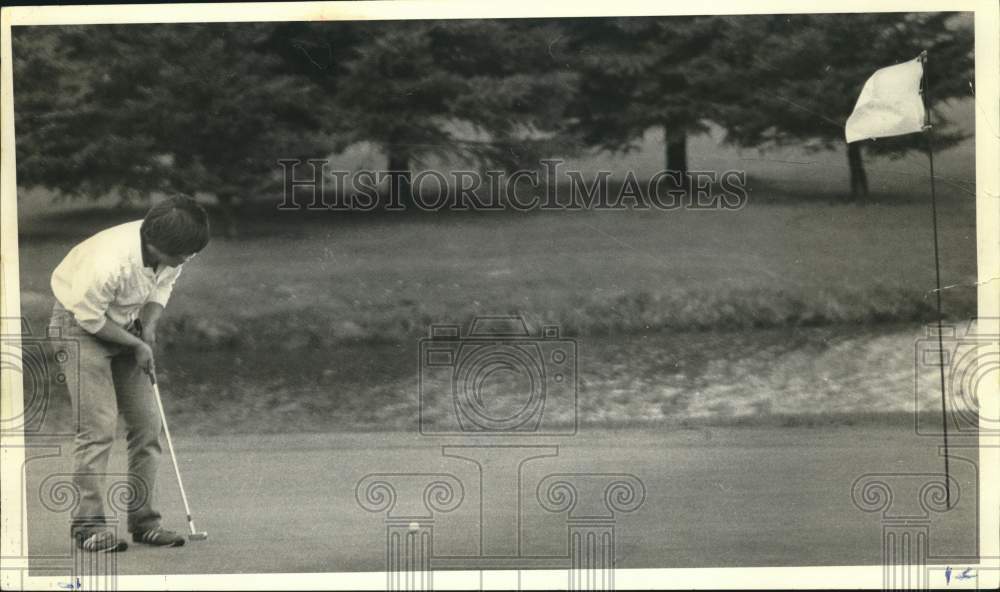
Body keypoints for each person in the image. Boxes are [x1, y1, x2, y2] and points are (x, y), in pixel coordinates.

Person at [49, 195, 210, 552]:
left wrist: (148, 326)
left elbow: (163, 284)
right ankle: (88, 527)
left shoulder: (173, 249)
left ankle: (144, 523)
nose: (187, 259)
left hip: (125, 324)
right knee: (98, 428)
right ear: (158, 245)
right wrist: (137, 345)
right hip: (76, 328)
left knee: (147, 426)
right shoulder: (109, 262)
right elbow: (88, 319)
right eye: (183, 253)